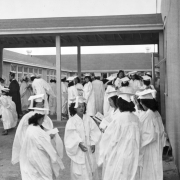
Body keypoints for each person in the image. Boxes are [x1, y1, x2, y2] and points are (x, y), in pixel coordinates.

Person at [12, 94, 64, 167]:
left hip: (45, 147)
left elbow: (48, 129)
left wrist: (50, 135)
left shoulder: (45, 117)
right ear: (34, 105)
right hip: (32, 148)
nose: (41, 106)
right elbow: (23, 134)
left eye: (42, 105)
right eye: (39, 105)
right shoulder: (26, 118)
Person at [98, 92, 140, 180]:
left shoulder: (119, 119)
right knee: (131, 174)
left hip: (120, 151)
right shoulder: (136, 118)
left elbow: (113, 138)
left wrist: (105, 131)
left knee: (119, 174)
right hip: (133, 151)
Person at [64, 96, 101, 180]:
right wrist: (78, 143)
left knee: (91, 169)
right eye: (79, 106)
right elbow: (70, 136)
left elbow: (94, 131)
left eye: (83, 106)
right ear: (75, 108)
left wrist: (93, 142)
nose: (81, 108)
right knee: (80, 172)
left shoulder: (88, 119)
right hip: (79, 150)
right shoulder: (72, 121)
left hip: (88, 149)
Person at [18, 111, 64, 180]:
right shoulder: (38, 131)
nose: (43, 121)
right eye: (42, 119)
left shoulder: (30, 128)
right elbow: (46, 145)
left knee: (35, 176)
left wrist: (46, 136)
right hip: (39, 158)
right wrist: (50, 137)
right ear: (38, 119)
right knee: (45, 176)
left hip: (31, 156)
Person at [135, 89, 166, 180]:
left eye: (142, 103)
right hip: (156, 145)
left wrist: (138, 140)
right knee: (155, 167)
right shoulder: (156, 113)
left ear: (146, 103)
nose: (141, 105)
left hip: (149, 147)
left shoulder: (149, 115)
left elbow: (150, 135)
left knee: (149, 169)